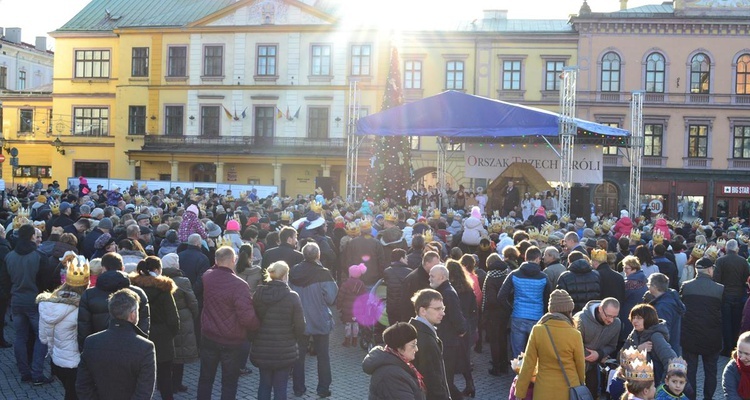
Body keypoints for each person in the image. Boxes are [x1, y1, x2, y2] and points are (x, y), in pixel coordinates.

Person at [196, 246, 260, 400]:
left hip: (209, 336)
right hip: (232, 340)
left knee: (205, 379)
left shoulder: (207, 277)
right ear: (234, 260)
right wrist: (256, 327)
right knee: (229, 382)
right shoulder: (240, 285)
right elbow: (246, 317)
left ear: (216, 261)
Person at [75, 288, 156, 399]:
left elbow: (82, 385)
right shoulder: (145, 346)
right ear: (132, 315)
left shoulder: (91, 341)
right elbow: (144, 392)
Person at [515, 289, 586, 400]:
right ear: (569, 311)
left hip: (543, 389)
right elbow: (580, 365)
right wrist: (582, 383)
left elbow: (528, 364)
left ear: (551, 311)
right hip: (569, 388)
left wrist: (520, 392)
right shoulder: (575, 334)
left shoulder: (538, 330)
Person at [250, 261, 306, 400]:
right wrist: (293, 338)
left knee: (264, 384)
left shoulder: (258, 294)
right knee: (281, 387)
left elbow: (252, 319)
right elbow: (300, 326)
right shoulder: (292, 296)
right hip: (284, 349)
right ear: (285, 275)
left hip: (262, 347)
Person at [289, 242, 339, 398]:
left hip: (298, 320)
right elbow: (331, 298)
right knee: (323, 355)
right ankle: (323, 388)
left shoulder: (293, 271)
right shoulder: (324, 273)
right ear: (318, 255)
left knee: (299, 356)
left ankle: (298, 388)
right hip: (319, 318)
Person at [5, 224, 52, 384]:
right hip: (35, 301)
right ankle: (37, 373)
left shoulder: (10, 256)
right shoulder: (39, 256)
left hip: (16, 300)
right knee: (42, 337)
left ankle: (24, 372)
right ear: (33, 236)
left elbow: (6, 280)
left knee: (20, 337)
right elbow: (45, 282)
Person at [37, 257, 90, 399]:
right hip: (76, 363)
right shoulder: (81, 309)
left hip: (57, 361)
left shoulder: (47, 305)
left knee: (69, 392)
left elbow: (43, 338)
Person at [129, 256, 180, 400]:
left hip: (139, 334)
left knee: (139, 377)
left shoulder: (133, 288)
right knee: (165, 376)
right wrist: (169, 334)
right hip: (162, 337)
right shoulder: (164, 290)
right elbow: (173, 319)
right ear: (157, 270)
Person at [78, 252, 150, 347]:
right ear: (123, 268)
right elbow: (144, 325)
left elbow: (84, 327)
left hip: (98, 348)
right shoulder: (138, 293)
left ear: (103, 269)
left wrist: (86, 350)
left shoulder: (89, 294)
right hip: (131, 348)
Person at [680, 257, 723, 400]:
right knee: (711, 371)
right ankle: (708, 398)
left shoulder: (686, 286)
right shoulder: (720, 289)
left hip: (690, 335)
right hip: (712, 336)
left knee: (690, 370)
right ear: (710, 270)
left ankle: (691, 397)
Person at [498, 245, 551, 358]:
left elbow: (501, 296)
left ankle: (519, 374)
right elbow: (549, 298)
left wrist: (511, 309)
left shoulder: (514, 274)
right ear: (537, 259)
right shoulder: (544, 277)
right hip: (537, 317)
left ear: (526, 258)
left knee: (518, 353)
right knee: (536, 352)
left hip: (518, 316)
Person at [160, 253, 199, 394]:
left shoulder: (158, 280)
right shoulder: (183, 281)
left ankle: (163, 382)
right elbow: (192, 301)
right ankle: (176, 384)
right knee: (180, 354)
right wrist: (192, 316)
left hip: (164, 319)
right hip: (182, 318)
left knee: (166, 353)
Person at [429, 264, 468, 399]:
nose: (430, 278)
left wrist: (462, 330)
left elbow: (456, 316)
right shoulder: (444, 291)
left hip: (448, 342)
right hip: (446, 340)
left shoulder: (447, 293)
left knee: (446, 380)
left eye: (432, 276)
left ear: (442, 277)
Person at [362, 322, 426, 400]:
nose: (416, 349)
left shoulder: (399, 366)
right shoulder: (391, 375)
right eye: (413, 345)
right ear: (399, 347)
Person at [574, 297, 622, 399]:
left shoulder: (616, 324)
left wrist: (599, 354)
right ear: (600, 309)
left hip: (593, 366)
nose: (611, 320)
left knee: (593, 395)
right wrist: (590, 355)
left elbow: (612, 346)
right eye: (608, 316)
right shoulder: (581, 319)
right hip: (575, 365)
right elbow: (573, 344)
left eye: (614, 316)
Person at [409, 288, 451, 400]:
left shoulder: (416, 331)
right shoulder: (425, 339)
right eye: (437, 309)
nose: (443, 313)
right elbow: (433, 380)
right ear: (423, 311)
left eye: (443, 308)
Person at [446, 260, 477, 397]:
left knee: (450, 359)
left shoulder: (449, 290)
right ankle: (470, 384)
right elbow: (473, 309)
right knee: (465, 357)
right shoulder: (468, 287)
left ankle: (451, 388)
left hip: (453, 327)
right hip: (467, 324)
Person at [624, 303, 677, 384]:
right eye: (633, 317)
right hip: (636, 383)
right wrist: (637, 350)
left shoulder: (655, 336)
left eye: (639, 318)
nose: (634, 321)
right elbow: (620, 359)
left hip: (652, 386)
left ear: (648, 319)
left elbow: (672, 362)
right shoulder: (633, 335)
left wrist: (662, 386)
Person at [715, 239, 749, 356]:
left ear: (726, 248)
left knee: (726, 323)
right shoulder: (743, 261)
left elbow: (717, 279)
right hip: (739, 295)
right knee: (736, 322)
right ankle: (735, 346)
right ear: (736, 249)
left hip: (725, 295)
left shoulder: (720, 261)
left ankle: (727, 348)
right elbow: (746, 278)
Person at [482, 253, 511, 376]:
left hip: (494, 314)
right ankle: (504, 365)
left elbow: (491, 300)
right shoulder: (507, 275)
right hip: (505, 312)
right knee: (503, 339)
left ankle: (496, 366)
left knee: (494, 341)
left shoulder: (490, 278)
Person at [646, 273, 685, 356]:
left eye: (648, 284)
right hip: (672, 347)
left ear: (655, 287)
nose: (647, 287)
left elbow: (663, 332)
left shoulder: (662, 307)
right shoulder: (671, 299)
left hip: (664, 351)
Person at [337, 263, 367, 347]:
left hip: (347, 309)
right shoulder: (361, 284)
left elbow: (340, 296)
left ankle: (347, 340)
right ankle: (355, 340)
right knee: (356, 324)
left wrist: (339, 306)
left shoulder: (345, 284)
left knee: (348, 324)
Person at [621, 255, 648, 344]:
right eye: (624, 267)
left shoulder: (628, 283)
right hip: (642, 313)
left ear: (634, 269)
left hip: (629, 313)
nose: (624, 270)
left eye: (626, 268)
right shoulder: (644, 279)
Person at [384, 248, 412, 323]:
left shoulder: (387, 271)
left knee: (393, 327)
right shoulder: (409, 272)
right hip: (404, 307)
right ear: (401, 258)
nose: (407, 259)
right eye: (406, 257)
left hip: (391, 306)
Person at [722, 330, 750, 400]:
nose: (742, 357)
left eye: (747, 354)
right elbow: (731, 395)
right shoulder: (731, 369)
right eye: (739, 352)